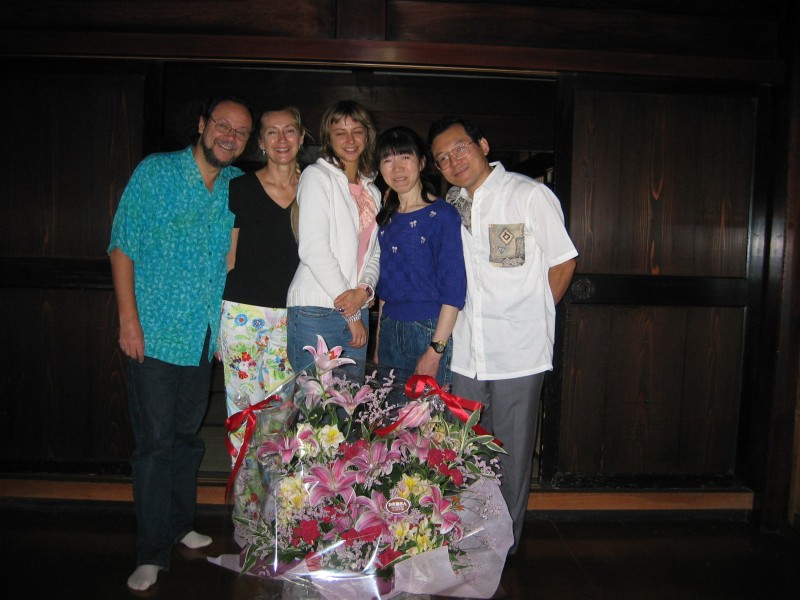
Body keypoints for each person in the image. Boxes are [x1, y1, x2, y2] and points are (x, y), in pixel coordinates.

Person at [108, 95, 253, 591]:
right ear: (202, 124)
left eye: (240, 132)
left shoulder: (235, 186)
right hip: (152, 333)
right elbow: (122, 245)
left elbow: (234, 256)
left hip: (201, 337)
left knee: (188, 439)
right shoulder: (157, 172)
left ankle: (178, 523)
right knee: (155, 444)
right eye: (223, 125)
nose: (230, 136)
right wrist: (128, 321)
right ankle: (151, 550)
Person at [428, 116, 578, 554]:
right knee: (468, 450)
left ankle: (502, 547)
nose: (453, 161)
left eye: (459, 148)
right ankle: (468, 538)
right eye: (442, 158)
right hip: (467, 352)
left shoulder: (528, 195)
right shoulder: (451, 207)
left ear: (482, 145)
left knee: (511, 454)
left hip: (518, 353)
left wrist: (532, 316)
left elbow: (564, 262)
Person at [218, 107, 305, 530]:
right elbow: (229, 258)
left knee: (286, 420)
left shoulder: (316, 187)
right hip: (243, 317)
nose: (281, 139)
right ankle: (248, 519)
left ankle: (282, 520)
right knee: (244, 417)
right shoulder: (240, 188)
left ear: (302, 137)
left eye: (290, 131)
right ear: (261, 142)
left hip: (296, 317)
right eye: (272, 132)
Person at [286, 100, 381, 372]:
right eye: (341, 132)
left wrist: (364, 291)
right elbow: (313, 249)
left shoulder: (373, 191)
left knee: (351, 397)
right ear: (329, 138)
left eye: (357, 131)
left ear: (367, 135)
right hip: (316, 310)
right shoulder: (316, 177)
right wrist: (351, 313)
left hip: (357, 308)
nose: (350, 140)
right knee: (315, 398)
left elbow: (375, 252)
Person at [372, 126, 466, 386]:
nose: (397, 168)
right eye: (388, 160)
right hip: (390, 328)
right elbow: (385, 287)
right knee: (389, 410)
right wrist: (379, 342)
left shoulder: (443, 216)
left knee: (427, 410)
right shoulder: (386, 219)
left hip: (428, 330)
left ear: (422, 162)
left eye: (405, 157)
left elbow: (454, 290)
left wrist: (435, 351)